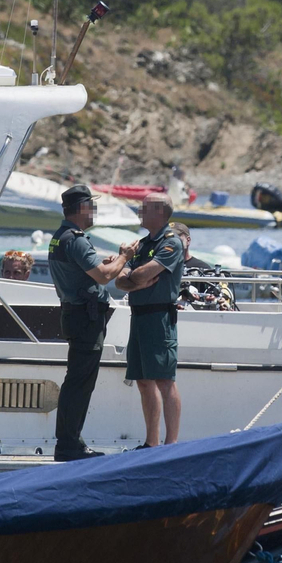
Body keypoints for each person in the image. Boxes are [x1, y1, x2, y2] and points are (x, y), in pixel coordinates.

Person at [46, 185, 135, 461]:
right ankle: (69, 445)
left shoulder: (60, 238)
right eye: (91, 206)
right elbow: (104, 276)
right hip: (85, 318)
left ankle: (69, 441)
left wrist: (106, 265)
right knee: (80, 382)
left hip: (76, 315)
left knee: (77, 380)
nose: (93, 211)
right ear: (82, 207)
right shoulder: (76, 239)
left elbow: (88, 271)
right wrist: (124, 256)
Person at [116, 194, 186, 447]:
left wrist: (134, 278)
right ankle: (151, 443)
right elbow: (120, 280)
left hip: (159, 317)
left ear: (159, 211)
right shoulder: (143, 244)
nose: (139, 210)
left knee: (165, 380)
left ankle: (172, 444)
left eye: (144, 207)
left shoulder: (172, 243)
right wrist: (136, 281)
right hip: (139, 317)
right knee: (144, 381)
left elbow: (139, 274)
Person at [172, 221, 236, 311]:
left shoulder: (202, 267)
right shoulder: (159, 267)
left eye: (177, 238)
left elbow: (214, 295)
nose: (172, 242)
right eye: (169, 238)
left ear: (188, 240)